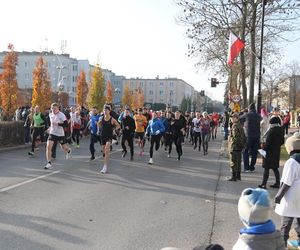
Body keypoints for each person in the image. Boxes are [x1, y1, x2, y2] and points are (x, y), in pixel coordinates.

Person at [275, 132, 300, 248]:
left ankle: (282, 245)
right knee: (299, 222)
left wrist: (279, 196)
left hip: (291, 197)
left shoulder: (292, 162)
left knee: (286, 224)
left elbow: (286, 182)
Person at [258, 116, 284, 189]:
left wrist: (263, 148)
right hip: (276, 151)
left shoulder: (272, 130)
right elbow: (282, 141)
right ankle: (277, 183)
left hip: (269, 152)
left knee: (266, 168)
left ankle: (264, 184)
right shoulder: (281, 130)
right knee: (275, 168)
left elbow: (268, 142)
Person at [44, 103, 72, 169]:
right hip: (52, 133)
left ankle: (68, 151)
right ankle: (49, 163)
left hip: (60, 134)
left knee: (63, 147)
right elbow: (50, 124)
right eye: (52, 108)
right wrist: (49, 128)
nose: (53, 110)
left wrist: (58, 124)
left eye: (55, 108)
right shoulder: (50, 115)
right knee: (48, 147)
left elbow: (66, 124)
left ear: (58, 108)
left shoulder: (61, 115)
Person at [97, 105, 120, 173]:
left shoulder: (112, 119)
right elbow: (98, 124)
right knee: (104, 150)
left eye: (106, 110)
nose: (105, 111)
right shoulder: (101, 118)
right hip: (102, 136)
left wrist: (114, 130)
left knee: (107, 149)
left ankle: (105, 166)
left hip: (109, 136)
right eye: (104, 110)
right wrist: (99, 128)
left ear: (109, 111)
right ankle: (105, 156)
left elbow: (118, 126)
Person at [240, 103, 261, 172]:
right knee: (254, 152)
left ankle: (246, 167)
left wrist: (243, 112)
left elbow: (239, 119)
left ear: (249, 109)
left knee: (245, 151)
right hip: (257, 136)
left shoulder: (247, 115)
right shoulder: (258, 116)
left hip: (248, 136)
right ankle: (252, 167)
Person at [228, 113, 246, 181]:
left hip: (234, 146)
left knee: (233, 162)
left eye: (232, 117)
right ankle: (238, 176)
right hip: (239, 147)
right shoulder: (240, 125)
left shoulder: (235, 126)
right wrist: (243, 145)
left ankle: (234, 176)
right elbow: (244, 136)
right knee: (238, 162)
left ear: (236, 118)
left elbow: (236, 137)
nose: (231, 119)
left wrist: (239, 144)